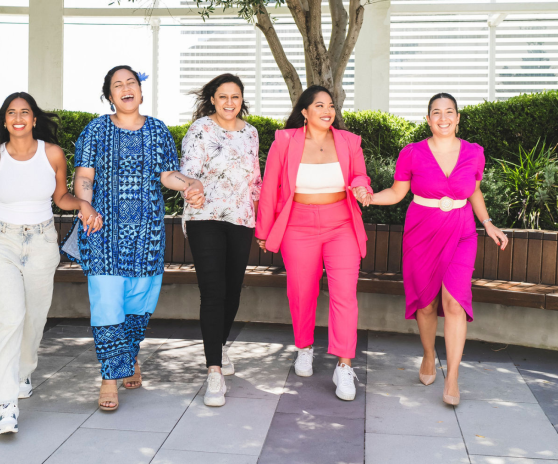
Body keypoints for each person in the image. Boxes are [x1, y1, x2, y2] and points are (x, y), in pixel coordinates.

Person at [0, 92, 101, 434]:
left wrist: (82, 206)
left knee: (34, 317)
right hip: (0, 239)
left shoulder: (52, 153)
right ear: (4, 121)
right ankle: (4, 403)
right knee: (10, 317)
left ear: (33, 119)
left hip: (43, 241)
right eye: (11, 113)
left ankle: (23, 369)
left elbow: (61, 197)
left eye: (25, 112)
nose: (18, 117)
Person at [62, 65, 205, 411]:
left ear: (140, 91)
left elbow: (167, 174)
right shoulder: (95, 130)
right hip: (102, 232)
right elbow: (84, 177)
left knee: (139, 305)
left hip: (147, 234)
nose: (126, 88)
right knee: (108, 303)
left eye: (131, 83)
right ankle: (110, 377)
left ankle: (128, 355)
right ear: (109, 95)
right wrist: (85, 205)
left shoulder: (157, 131)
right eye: (117, 85)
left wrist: (190, 184)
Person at [358, 93, 508, 406]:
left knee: (455, 302)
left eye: (449, 112)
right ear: (428, 119)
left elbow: (475, 192)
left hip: (462, 231)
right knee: (425, 303)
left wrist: (488, 222)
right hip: (421, 232)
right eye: (436, 113)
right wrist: (369, 196)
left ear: (457, 118)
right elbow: (398, 193)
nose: (443, 118)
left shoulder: (473, 152)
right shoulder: (412, 153)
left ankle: (452, 375)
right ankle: (428, 354)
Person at [256, 85, 371, 401]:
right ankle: (304, 347)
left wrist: (362, 187)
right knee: (301, 291)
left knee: (345, 294)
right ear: (304, 112)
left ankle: (344, 365)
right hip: (298, 225)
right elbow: (269, 188)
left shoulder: (349, 141)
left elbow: (360, 175)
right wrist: (264, 231)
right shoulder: (286, 141)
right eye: (319, 105)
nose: (327, 110)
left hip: (341, 224)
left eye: (331, 105)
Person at [180, 73, 261, 407]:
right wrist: (192, 188)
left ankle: (220, 345)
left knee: (231, 291)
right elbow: (188, 169)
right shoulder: (200, 129)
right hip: (205, 218)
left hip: (241, 219)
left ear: (242, 100)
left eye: (236, 97)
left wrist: (261, 219)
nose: (230, 103)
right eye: (223, 96)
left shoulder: (251, 133)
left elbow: (255, 178)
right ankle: (213, 370)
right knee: (213, 293)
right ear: (212, 99)